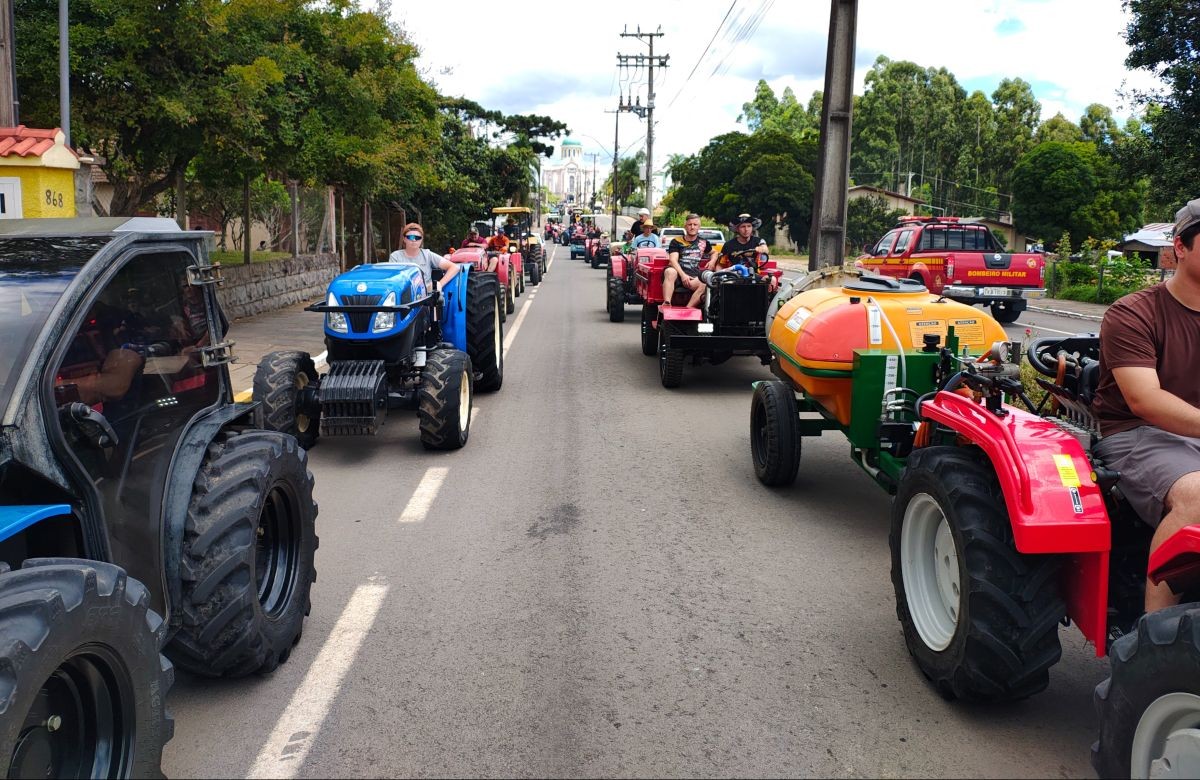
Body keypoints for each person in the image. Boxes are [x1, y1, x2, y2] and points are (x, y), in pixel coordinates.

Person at [1093, 196, 1200, 613]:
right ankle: (1153, 651)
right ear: (1180, 247)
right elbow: (1145, 400)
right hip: (1138, 435)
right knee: (1197, 499)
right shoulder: (1134, 313)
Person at [387, 222, 460, 293]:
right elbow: (391, 280)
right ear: (404, 239)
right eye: (410, 237)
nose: (414, 240)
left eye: (417, 237)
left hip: (425, 297)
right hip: (402, 294)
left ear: (421, 240)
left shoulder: (427, 255)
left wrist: (440, 284)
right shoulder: (395, 256)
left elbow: (454, 267)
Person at [714, 213, 778, 292]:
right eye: (743, 226)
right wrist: (719, 277)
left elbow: (765, 248)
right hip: (734, 277)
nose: (746, 229)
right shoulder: (728, 245)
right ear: (737, 229)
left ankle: (766, 302)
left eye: (749, 226)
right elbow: (720, 265)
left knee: (772, 280)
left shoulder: (758, 241)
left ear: (752, 228)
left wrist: (761, 248)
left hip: (754, 275)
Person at [662, 213, 713, 309]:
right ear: (685, 226)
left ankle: (688, 309)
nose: (692, 227)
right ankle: (667, 303)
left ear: (699, 227)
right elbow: (673, 260)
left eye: (695, 225)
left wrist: (712, 261)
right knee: (670, 271)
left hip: (693, 277)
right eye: (690, 224)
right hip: (677, 275)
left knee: (706, 283)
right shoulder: (676, 241)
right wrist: (683, 275)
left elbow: (714, 253)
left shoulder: (703, 243)